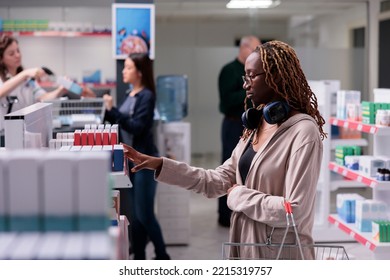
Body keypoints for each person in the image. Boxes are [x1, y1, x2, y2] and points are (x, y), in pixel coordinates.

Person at [121, 40, 326, 260]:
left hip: (280, 254)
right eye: (244, 77)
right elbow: (214, 181)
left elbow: (294, 211)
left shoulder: (304, 132)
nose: (245, 85)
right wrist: (160, 164)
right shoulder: (256, 127)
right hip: (246, 245)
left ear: (275, 78)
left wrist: (239, 195)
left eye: (251, 76)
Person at [103, 52, 170, 260]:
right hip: (129, 162)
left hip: (145, 161)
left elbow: (137, 127)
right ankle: (139, 257)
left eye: (129, 67)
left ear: (139, 72)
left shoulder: (147, 96)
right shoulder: (129, 94)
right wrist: (109, 110)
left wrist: (112, 110)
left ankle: (162, 255)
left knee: (145, 214)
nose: (124, 71)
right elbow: (119, 121)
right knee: (136, 217)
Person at [0, 34, 96, 132]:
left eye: (18, 51)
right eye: (11, 53)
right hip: (5, 132)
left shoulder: (28, 80)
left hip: (25, 130)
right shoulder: (19, 77)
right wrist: (25, 74)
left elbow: (43, 98)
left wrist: (60, 91)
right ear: (1, 59)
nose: (17, 55)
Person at [217, 35, 261, 227]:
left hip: (253, 124)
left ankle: (245, 208)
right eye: (255, 49)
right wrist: (251, 87)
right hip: (234, 123)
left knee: (249, 169)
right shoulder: (229, 71)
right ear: (244, 48)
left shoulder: (257, 71)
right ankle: (225, 215)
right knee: (229, 168)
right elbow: (225, 103)